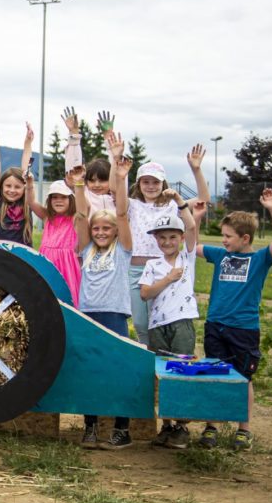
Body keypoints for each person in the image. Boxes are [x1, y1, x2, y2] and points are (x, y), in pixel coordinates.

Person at [195, 188, 272, 451]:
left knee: (243, 379)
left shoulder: (259, 259)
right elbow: (191, 245)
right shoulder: (221, 255)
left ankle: (243, 430)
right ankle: (211, 426)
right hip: (216, 326)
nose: (223, 240)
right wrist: (197, 217)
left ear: (245, 238)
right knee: (214, 375)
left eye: (227, 236)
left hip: (244, 330)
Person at [72, 134, 135, 450]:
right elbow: (82, 215)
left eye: (105, 229)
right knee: (90, 370)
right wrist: (79, 187)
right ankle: (91, 426)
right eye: (97, 229)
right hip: (89, 314)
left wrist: (120, 177)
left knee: (118, 368)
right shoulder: (86, 250)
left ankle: (122, 428)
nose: (100, 232)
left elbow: (121, 214)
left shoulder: (123, 250)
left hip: (114, 315)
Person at [126, 145, 210, 344]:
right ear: (139, 184)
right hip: (137, 269)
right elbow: (117, 192)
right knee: (139, 322)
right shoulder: (132, 204)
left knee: (162, 320)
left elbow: (204, 200)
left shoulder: (173, 205)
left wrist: (196, 169)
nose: (151, 186)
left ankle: (160, 355)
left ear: (163, 183)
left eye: (156, 182)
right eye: (146, 182)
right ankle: (147, 354)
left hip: (164, 267)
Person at [138, 195, 199, 449]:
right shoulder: (153, 265)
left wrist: (178, 199)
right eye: (162, 237)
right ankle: (166, 425)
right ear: (156, 240)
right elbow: (145, 293)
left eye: (173, 236)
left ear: (182, 238)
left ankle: (182, 427)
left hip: (182, 322)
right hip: (157, 325)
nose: (167, 242)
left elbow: (193, 225)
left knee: (181, 371)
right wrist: (168, 279)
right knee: (161, 373)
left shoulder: (188, 257)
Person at [28, 175, 81, 305]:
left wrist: (77, 185)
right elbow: (31, 202)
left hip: (68, 270)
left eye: (63, 197)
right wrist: (29, 184)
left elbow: (84, 209)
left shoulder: (75, 219)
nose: (59, 200)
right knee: (47, 301)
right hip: (47, 267)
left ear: (72, 199)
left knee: (68, 302)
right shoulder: (47, 217)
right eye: (54, 197)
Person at [0, 114, 31, 246]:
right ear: (1, 187)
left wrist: (28, 144)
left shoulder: (27, 203)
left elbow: (26, 170)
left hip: (23, 259)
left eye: (17, 187)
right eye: (8, 186)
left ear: (24, 187)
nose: (12, 190)